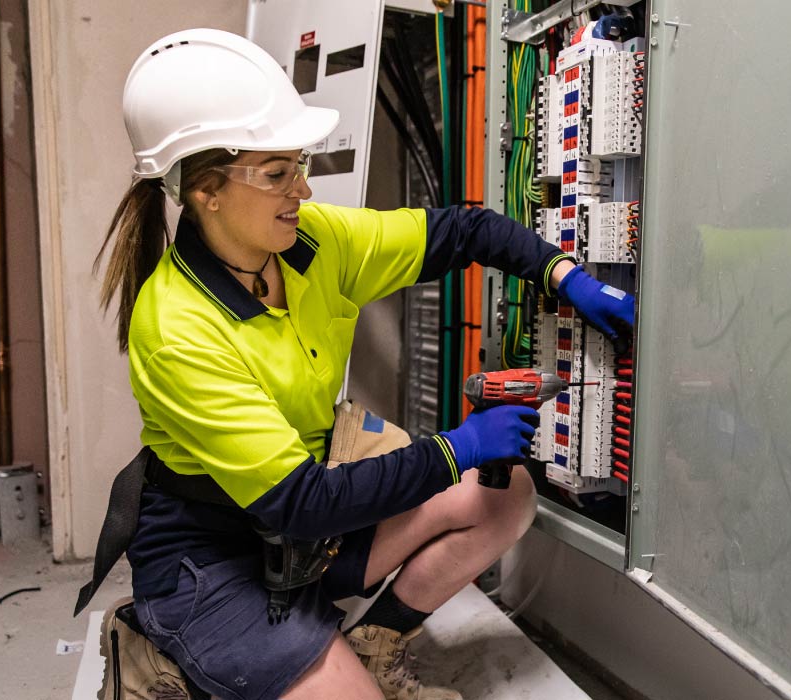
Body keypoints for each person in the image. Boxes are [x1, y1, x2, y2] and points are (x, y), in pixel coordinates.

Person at [88, 28, 634, 700]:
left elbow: (461, 230)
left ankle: (373, 649)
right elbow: (302, 505)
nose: (304, 190)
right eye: (278, 172)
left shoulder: (310, 243)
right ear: (206, 191)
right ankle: (163, 648)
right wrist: (456, 448)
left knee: (505, 495)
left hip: (300, 520)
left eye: (300, 163)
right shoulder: (176, 325)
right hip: (214, 559)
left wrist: (564, 274)